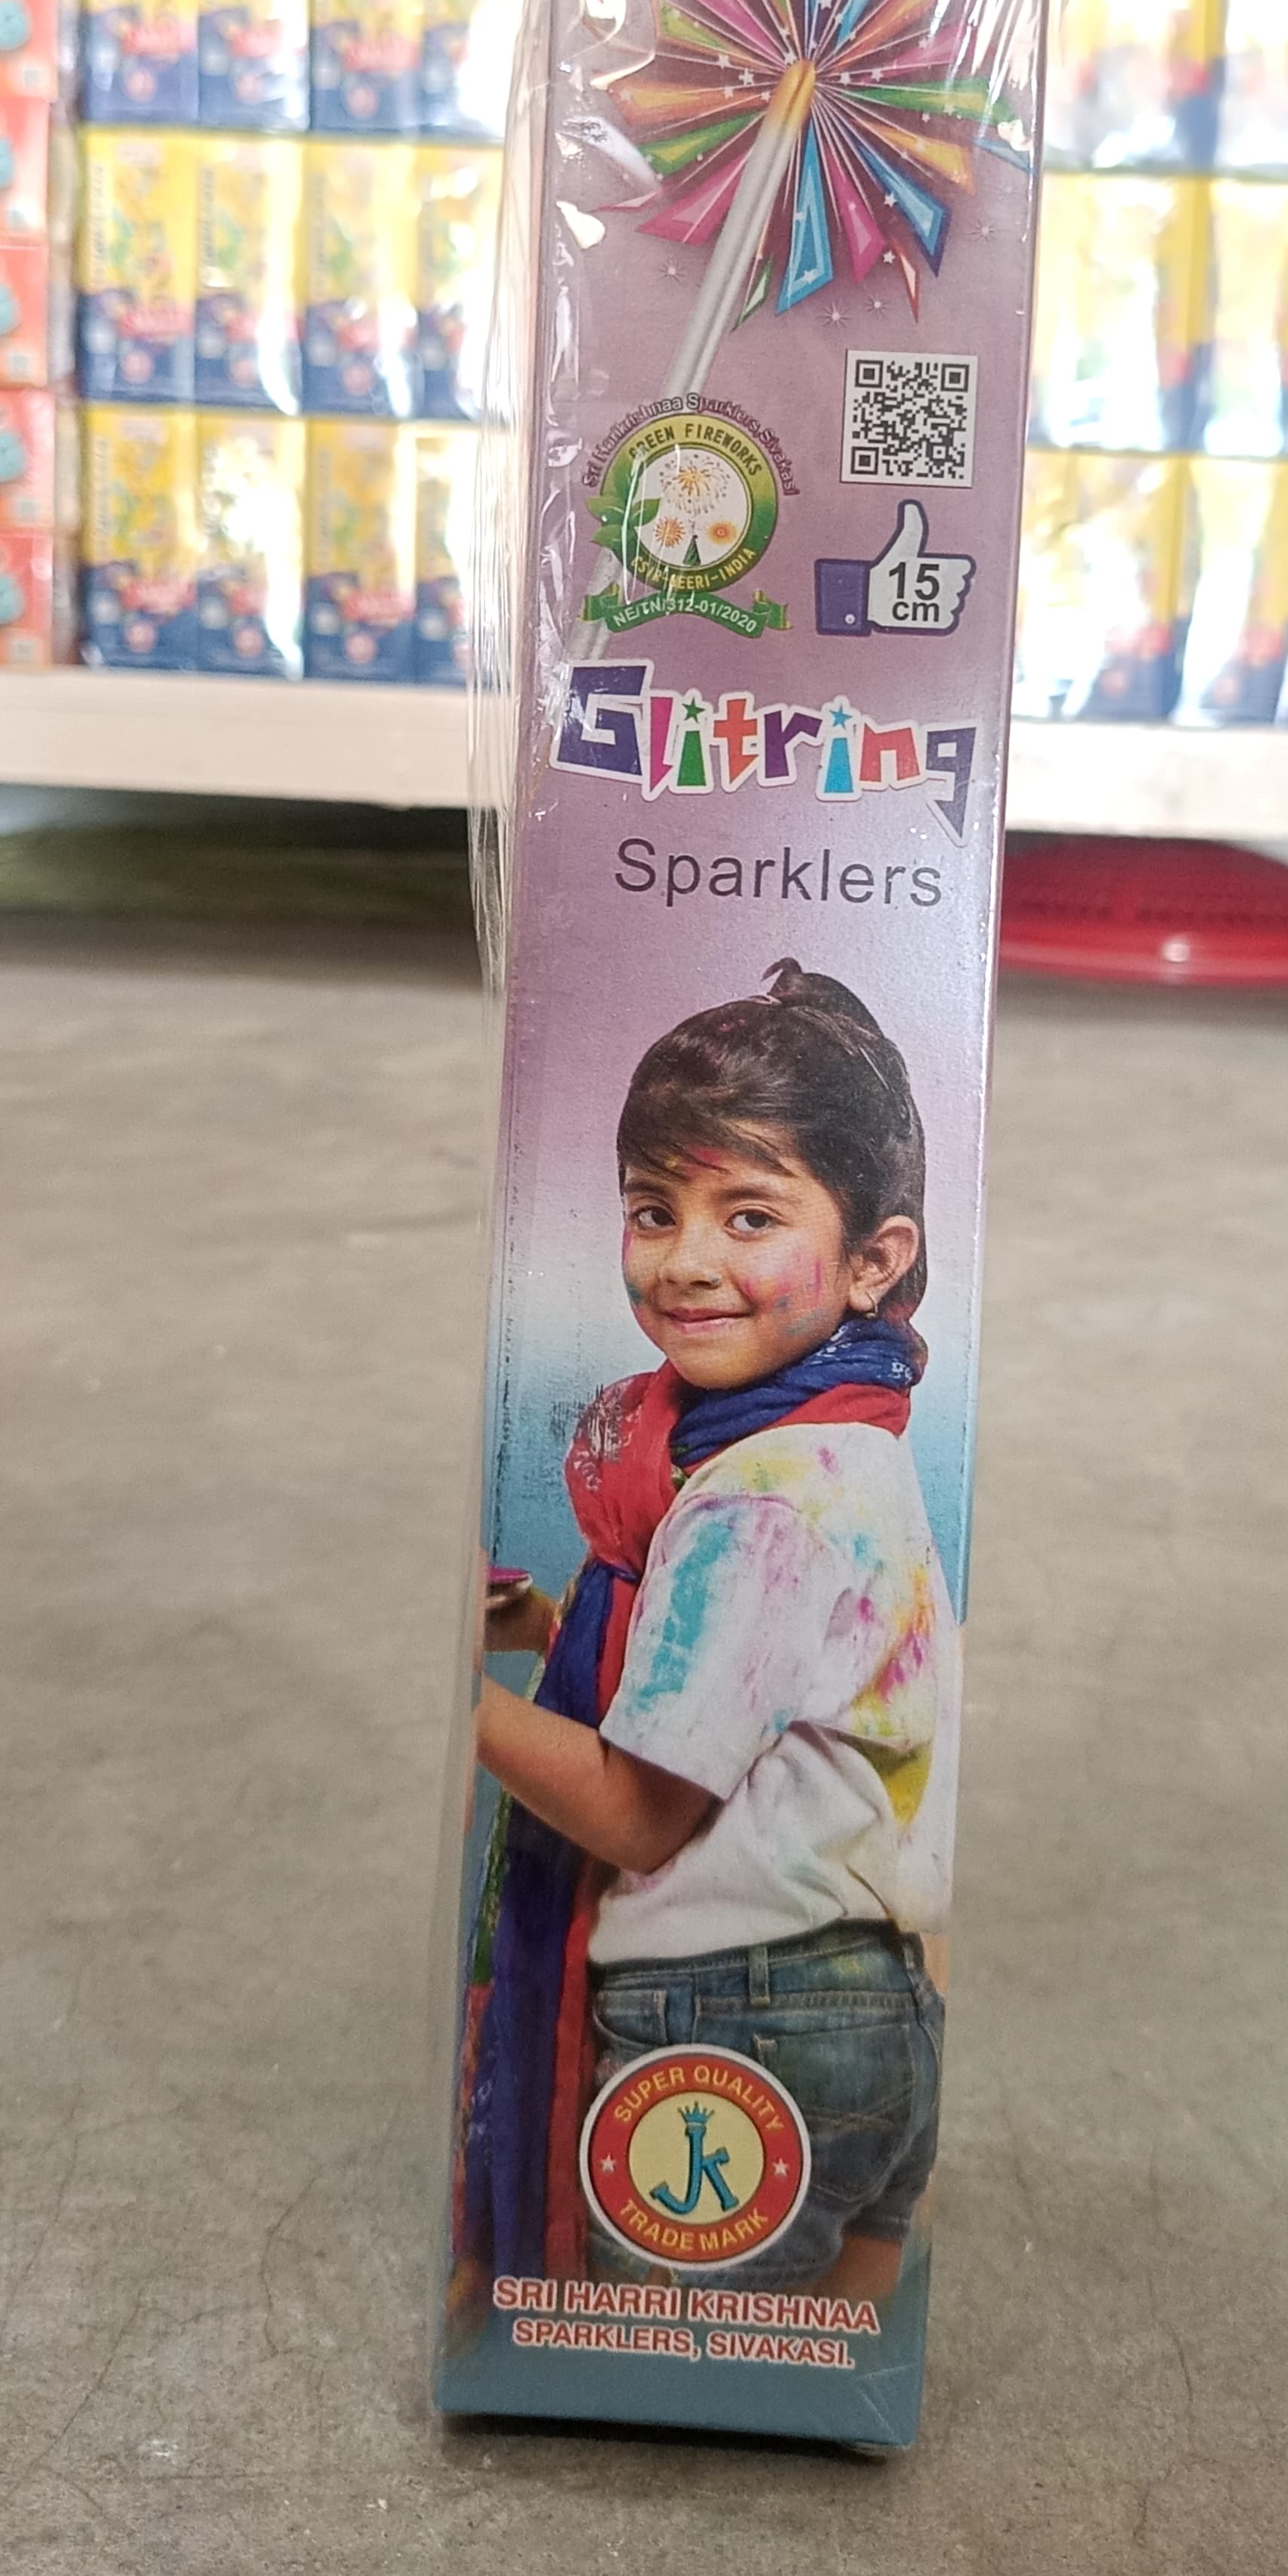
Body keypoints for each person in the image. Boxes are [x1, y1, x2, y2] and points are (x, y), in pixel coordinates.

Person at [455, 960, 955, 2304]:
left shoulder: (757, 1501)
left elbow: (636, 1819)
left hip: (733, 2013)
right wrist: (552, 1626)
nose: (685, 1260)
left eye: (749, 1215)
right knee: (813, 2366)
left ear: (875, 1259)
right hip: (877, 2010)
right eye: (652, 1209)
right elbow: (783, 1702)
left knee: (671, 2354)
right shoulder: (851, 1454)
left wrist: (455, 1702)